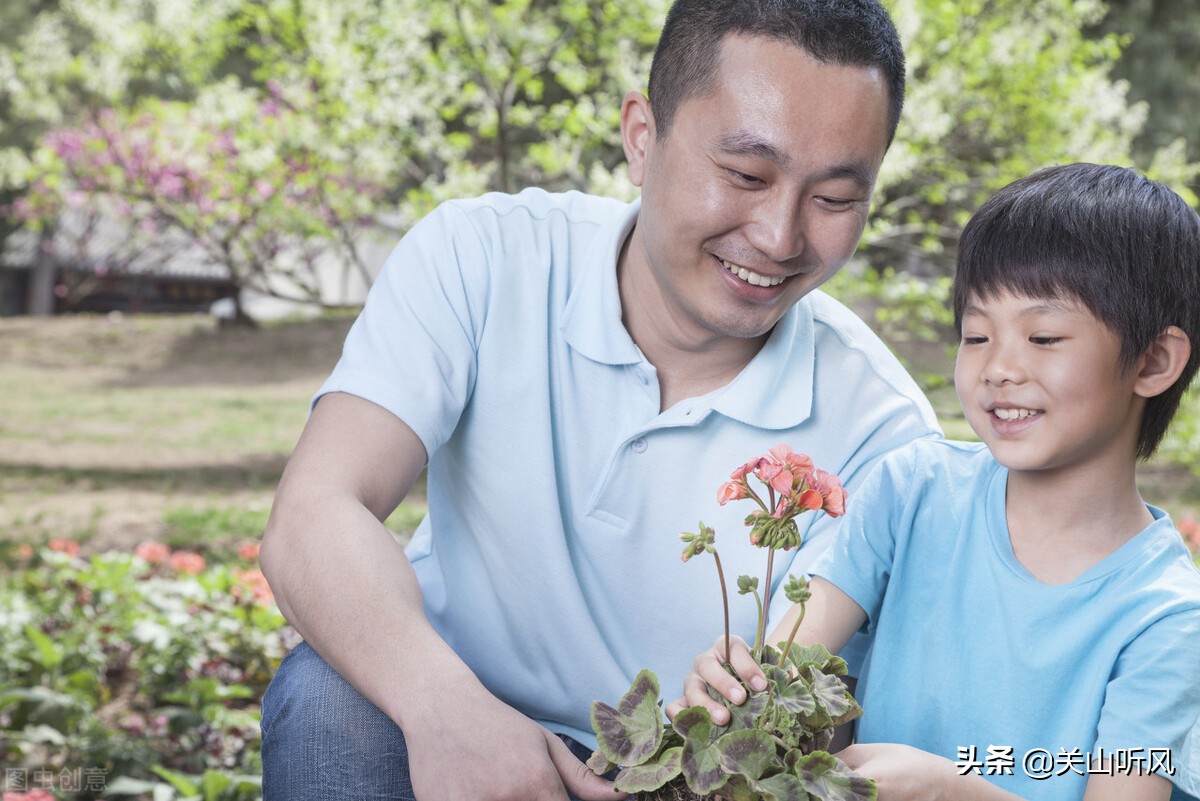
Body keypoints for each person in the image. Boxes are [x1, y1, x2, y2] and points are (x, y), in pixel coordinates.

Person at [256, 1, 943, 799]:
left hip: (685, 781)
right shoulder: (484, 258)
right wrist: (444, 710)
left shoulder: (884, 434)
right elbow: (314, 512)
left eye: (832, 199)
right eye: (747, 175)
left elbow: (857, 726)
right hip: (444, 726)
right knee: (325, 700)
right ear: (641, 138)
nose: (780, 237)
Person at [673, 162, 1200, 801]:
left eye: (1043, 336)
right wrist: (737, 691)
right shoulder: (913, 489)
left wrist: (951, 791)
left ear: (1153, 361)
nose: (998, 367)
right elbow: (790, 674)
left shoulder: (1166, 619)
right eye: (976, 334)